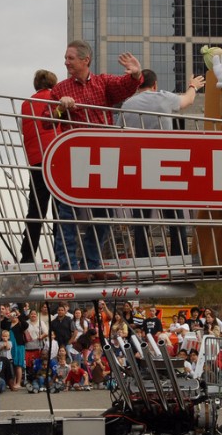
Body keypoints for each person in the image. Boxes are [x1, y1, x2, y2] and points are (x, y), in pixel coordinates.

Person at [50, 40, 143, 281]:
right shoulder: (60, 89)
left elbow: (124, 87)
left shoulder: (102, 83)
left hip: (103, 159)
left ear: (85, 60)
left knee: (103, 215)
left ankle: (92, 263)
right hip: (75, 159)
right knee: (68, 215)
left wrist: (136, 75)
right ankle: (68, 267)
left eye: (70, 58)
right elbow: (47, 120)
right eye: (66, 58)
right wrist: (61, 108)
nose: (66, 62)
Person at [116, 69, 204, 257]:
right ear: (155, 85)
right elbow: (187, 101)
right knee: (174, 216)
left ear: (138, 84)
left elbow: (118, 134)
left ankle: (141, 258)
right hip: (166, 165)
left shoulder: (127, 104)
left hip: (139, 165)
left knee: (141, 217)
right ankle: (178, 256)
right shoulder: (163, 97)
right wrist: (193, 86)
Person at [19, 69, 60, 263]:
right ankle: (62, 255)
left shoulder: (25, 104)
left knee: (36, 210)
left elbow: (23, 129)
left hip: (36, 161)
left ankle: (27, 256)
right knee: (60, 210)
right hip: (57, 157)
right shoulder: (57, 98)